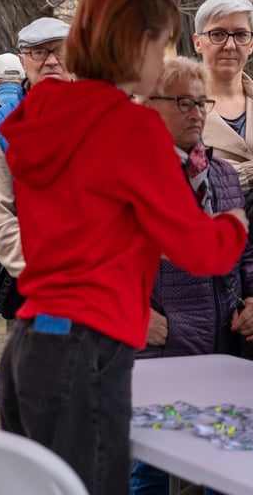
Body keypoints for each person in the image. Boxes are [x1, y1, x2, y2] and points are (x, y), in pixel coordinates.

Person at [0, 0, 249, 495]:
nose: (162, 60)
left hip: (29, 341)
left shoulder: (42, 107)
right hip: (90, 348)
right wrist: (234, 223)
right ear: (137, 42)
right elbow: (198, 249)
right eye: (162, 46)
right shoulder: (129, 127)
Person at [127, 57, 253, 495]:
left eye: (202, 103)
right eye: (182, 102)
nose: (197, 112)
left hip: (224, 344)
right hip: (161, 347)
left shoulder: (221, 174)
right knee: (153, 465)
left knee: (225, 456)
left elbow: (244, 250)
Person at [0, 18, 71, 288]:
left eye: (61, 50)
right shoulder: (0, 129)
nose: (52, 61)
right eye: (39, 52)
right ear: (23, 62)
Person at [196, 0, 253, 206]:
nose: (230, 45)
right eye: (218, 34)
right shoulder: (172, 110)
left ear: (251, 44)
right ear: (197, 42)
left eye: (240, 35)